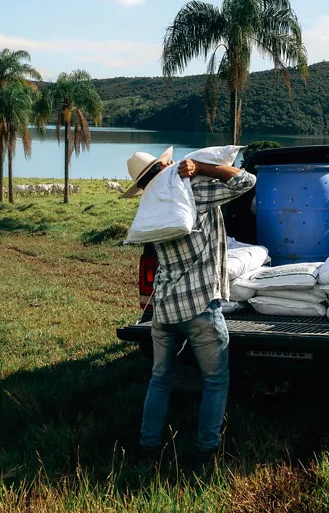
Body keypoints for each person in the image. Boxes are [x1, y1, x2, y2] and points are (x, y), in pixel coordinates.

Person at [121, 147, 256, 461]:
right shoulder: (192, 190)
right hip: (199, 307)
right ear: (165, 165)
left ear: (142, 185)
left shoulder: (151, 206)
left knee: (160, 379)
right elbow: (247, 181)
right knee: (215, 379)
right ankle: (206, 452)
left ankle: (149, 447)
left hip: (164, 307)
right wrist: (205, 168)